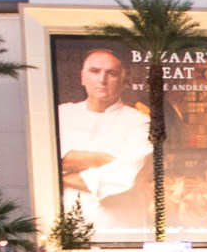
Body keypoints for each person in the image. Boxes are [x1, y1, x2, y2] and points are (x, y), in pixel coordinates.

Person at [58, 47, 152, 231]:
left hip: (115, 230)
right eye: (94, 71)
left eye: (111, 73)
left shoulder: (138, 121)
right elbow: (44, 161)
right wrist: (101, 160)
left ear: (123, 81)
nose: (102, 79)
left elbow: (123, 177)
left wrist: (60, 172)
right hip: (65, 229)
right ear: (82, 77)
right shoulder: (62, 114)